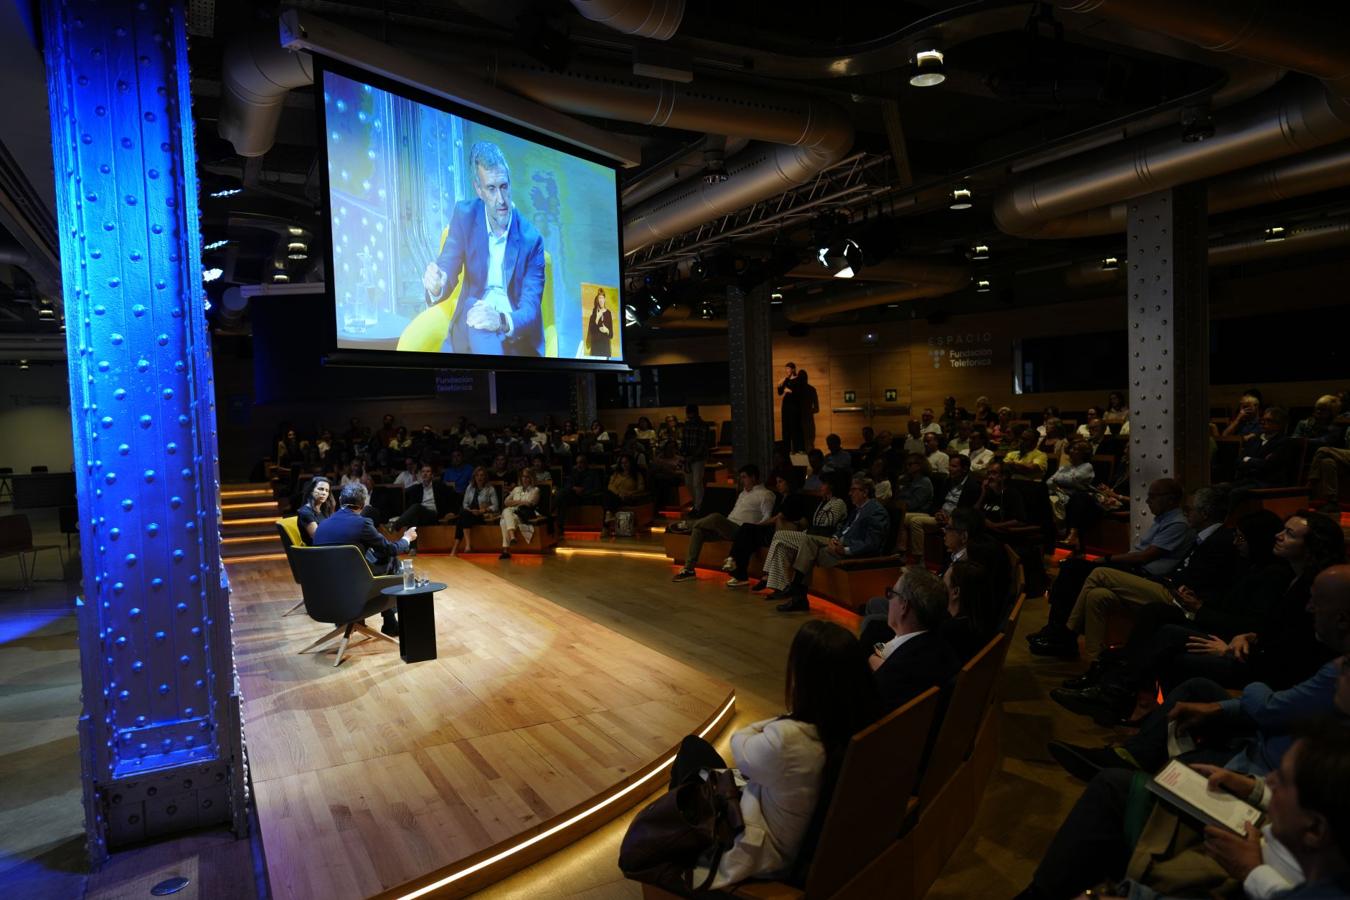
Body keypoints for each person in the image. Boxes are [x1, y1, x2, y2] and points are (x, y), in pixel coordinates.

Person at [643, 620, 879, 891]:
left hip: (765, 849)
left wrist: (778, 722)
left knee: (691, 752)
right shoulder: (858, 723)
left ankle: (674, 856)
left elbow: (739, 743)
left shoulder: (792, 739)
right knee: (696, 756)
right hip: (798, 832)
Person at [1020, 713, 1350, 900]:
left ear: (1315, 829)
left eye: (1283, 782)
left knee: (1112, 792)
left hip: (1247, 862)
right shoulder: (1320, 853)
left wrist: (1253, 871)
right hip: (1256, 841)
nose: (1270, 781)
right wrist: (1253, 789)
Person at [1029, 478, 1194, 657]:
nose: (1148, 501)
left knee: (1074, 570)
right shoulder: (1164, 519)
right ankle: (1062, 635)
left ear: (1171, 499)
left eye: (1153, 497)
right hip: (1138, 569)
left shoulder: (1177, 524)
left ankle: (1061, 634)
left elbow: (1146, 556)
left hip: (1146, 575)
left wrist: (1107, 558)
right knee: (1073, 570)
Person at [422, 141, 546, 356]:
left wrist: (499, 320)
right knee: (473, 308)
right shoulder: (465, 216)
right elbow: (447, 266)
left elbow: (530, 310)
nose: (501, 200)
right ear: (478, 189)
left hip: (511, 334)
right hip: (470, 324)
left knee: (475, 312)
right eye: (491, 189)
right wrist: (437, 285)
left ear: (510, 183)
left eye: (504, 187)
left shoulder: (531, 239)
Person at [765, 477, 890, 612]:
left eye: (853, 490)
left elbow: (872, 543)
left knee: (808, 548)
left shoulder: (876, 511)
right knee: (807, 545)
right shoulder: (857, 510)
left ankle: (797, 592)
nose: (850, 493)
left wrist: (846, 550)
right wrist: (835, 538)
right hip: (837, 543)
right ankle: (797, 594)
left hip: (852, 551)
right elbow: (842, 528)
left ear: (865, 492)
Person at [312, 483, 412, 635]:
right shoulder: (362, 523)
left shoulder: (322, 526)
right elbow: (390, 549)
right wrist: (406, 539)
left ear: (340, 500)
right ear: (364, 504)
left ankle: (349, 620)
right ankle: (390, 621)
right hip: (356, 589)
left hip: (325, 592)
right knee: (391, 559)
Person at [869, 566, 960, 713]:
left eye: (891, 593)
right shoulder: (942, 646)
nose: (889, 599)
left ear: (904, 606)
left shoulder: (893, 675)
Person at [672, 465, 777, 583]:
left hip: (742, 531)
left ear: (753, 477)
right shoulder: (743, 493)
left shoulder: (766, 494)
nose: (741, 480)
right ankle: (689, 569)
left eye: (744, 477)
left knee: (715, 517)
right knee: (698, 531)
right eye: (741, 478)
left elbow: (767, 517)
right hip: (728, 527)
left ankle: (688, 525)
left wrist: (752, 529)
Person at [745, 475, 848, 592]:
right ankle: (780, 587)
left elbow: (827, 523)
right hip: (813, 535)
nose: (821, 487)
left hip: (826, 538)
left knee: (779, 535)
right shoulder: (823, 502)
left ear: (831, 487)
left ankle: (767, 575)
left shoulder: (838, 503)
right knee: (780, 545)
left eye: (824, 484)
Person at [904, 452, 978, 559]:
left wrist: (950, 519)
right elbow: (936, 502)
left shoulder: (972, 486)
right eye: (949, 465)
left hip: (953, 519)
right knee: (904, 517)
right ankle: (902, 552)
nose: (950, 469)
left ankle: (918, 558)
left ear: (965, 469)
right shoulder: (947, 481)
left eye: (954, 466)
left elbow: (966, 511)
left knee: (916, 521)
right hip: (940, 515)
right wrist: (938, 512)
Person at [1236, 407, 1297, 487]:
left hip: (1268, 483)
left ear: (1279, 424)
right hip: (1248, 479)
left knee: (1235, 492)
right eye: (1262, 419)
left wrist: (1248, 459)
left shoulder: (1284, 442)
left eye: (1268, 420)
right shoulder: (1255, 439)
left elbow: (1269, 465)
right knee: (1220, 489)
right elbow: (1238, 461)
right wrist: (1257, 461)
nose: (1263, 422)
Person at [391, 464, 458, 531]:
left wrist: (452, 512)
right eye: (423, 472)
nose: (425, 474)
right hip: (420, 514)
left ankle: (396, 525)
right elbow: (410, 505)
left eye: (428, 471)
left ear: (432, 475)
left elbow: (454, 498)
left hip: (434, 515)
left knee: (416, 507)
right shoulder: (417, 488)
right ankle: (409, 541)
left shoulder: (440, 486)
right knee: (415, 520)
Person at [450, 466, 498, 555]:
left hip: (481, 515)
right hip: (470, 514)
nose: (479, 478)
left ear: (485, 477)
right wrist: (470, 511)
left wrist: (483, 510)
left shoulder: (490, 489)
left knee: (462, 518)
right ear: (474, 477)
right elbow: (465, 504)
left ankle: (456, 548)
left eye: (482, 475)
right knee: (464, 514)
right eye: (477, 475)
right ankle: (467, 546)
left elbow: (495, 506)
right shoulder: (470, 487)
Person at [556, 453, 605, 535]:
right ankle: (560, 526)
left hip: (588, 498)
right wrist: (573, 488)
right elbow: (567, 486)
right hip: (574, 497)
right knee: (562, 494)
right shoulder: (574, 473)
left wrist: (583, 490)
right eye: (577, 463)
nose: (579, 465)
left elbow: (598, 488)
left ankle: (555, 520)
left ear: (586, 463)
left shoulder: (593, 474)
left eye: (581, 462)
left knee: (562, 495)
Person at [498, 467, 541, 559]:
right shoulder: (516, 489)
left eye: (527, 477)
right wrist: (521, 501)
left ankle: (506, 550)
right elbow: (506, 502)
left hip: (524, 514)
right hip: (512, 513)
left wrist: (515, 502)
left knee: (504, 519)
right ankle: (512, 537)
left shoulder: (535, 490)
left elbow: (529, 503)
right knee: (506, 512)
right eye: (523, 477)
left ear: (531, 478)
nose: (525, 479)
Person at [601, 454, 647, 537]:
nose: (624, 465)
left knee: (608, 498)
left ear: (631, 463)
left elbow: (641, 488)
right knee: (607, 494)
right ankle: (608, 519)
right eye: (622, 463)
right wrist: (619, 493)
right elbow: (610, 486)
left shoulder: (637, 475)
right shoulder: (616, 474)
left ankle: (606, 525)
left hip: (628, 496)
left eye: (626, 463)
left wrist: (629, 493)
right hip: (616, 495)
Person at [679, 404, 711, 515]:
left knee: (697, 482)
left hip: (699, 458)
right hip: (688, 457)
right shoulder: (686, 425)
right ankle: (696, 504)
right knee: (688, 483)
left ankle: (698, 506)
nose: (689, 417)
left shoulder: (703, 425)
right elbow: (683, 440)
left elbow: (703, 444)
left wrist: (691, 456)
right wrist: (684, 454)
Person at [295, 477, 334, 545]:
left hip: (328, 545)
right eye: (320, 489)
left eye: (327, 490)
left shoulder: (324, 509)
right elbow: (318, 537)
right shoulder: (305, 512)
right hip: (316, 550)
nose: (324, 493)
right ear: (311, 490)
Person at [777, 362, 804, 453]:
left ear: (793, 369)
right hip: (786, 408)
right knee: (786, 429)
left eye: (788, 369)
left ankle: (796, 450)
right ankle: (786, 451)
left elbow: (799, 394)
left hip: (794, 408)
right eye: (786, 369)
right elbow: (780, 392)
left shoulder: (798, 380)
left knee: (795, 429)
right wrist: (779, 384)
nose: (787, 371)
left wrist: (790, 391)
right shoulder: (786, 380)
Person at [586, 288, 615, 357]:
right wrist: (597, 318)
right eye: (599, 298)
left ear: (604, 299)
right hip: (595, 348)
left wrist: (607, 330)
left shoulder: (608, 313)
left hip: (606, 348)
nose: (601, 300)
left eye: (602, 298)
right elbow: (591, 332)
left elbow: (611, 335)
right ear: (597, 300)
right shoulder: (593, 316)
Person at [796, 369, 819, 452]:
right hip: (805, 421)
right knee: (807, 445)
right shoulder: (811, 389)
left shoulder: (797, 391)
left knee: (805, 445)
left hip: (803, 421)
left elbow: (816, 409)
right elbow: (816, 409)